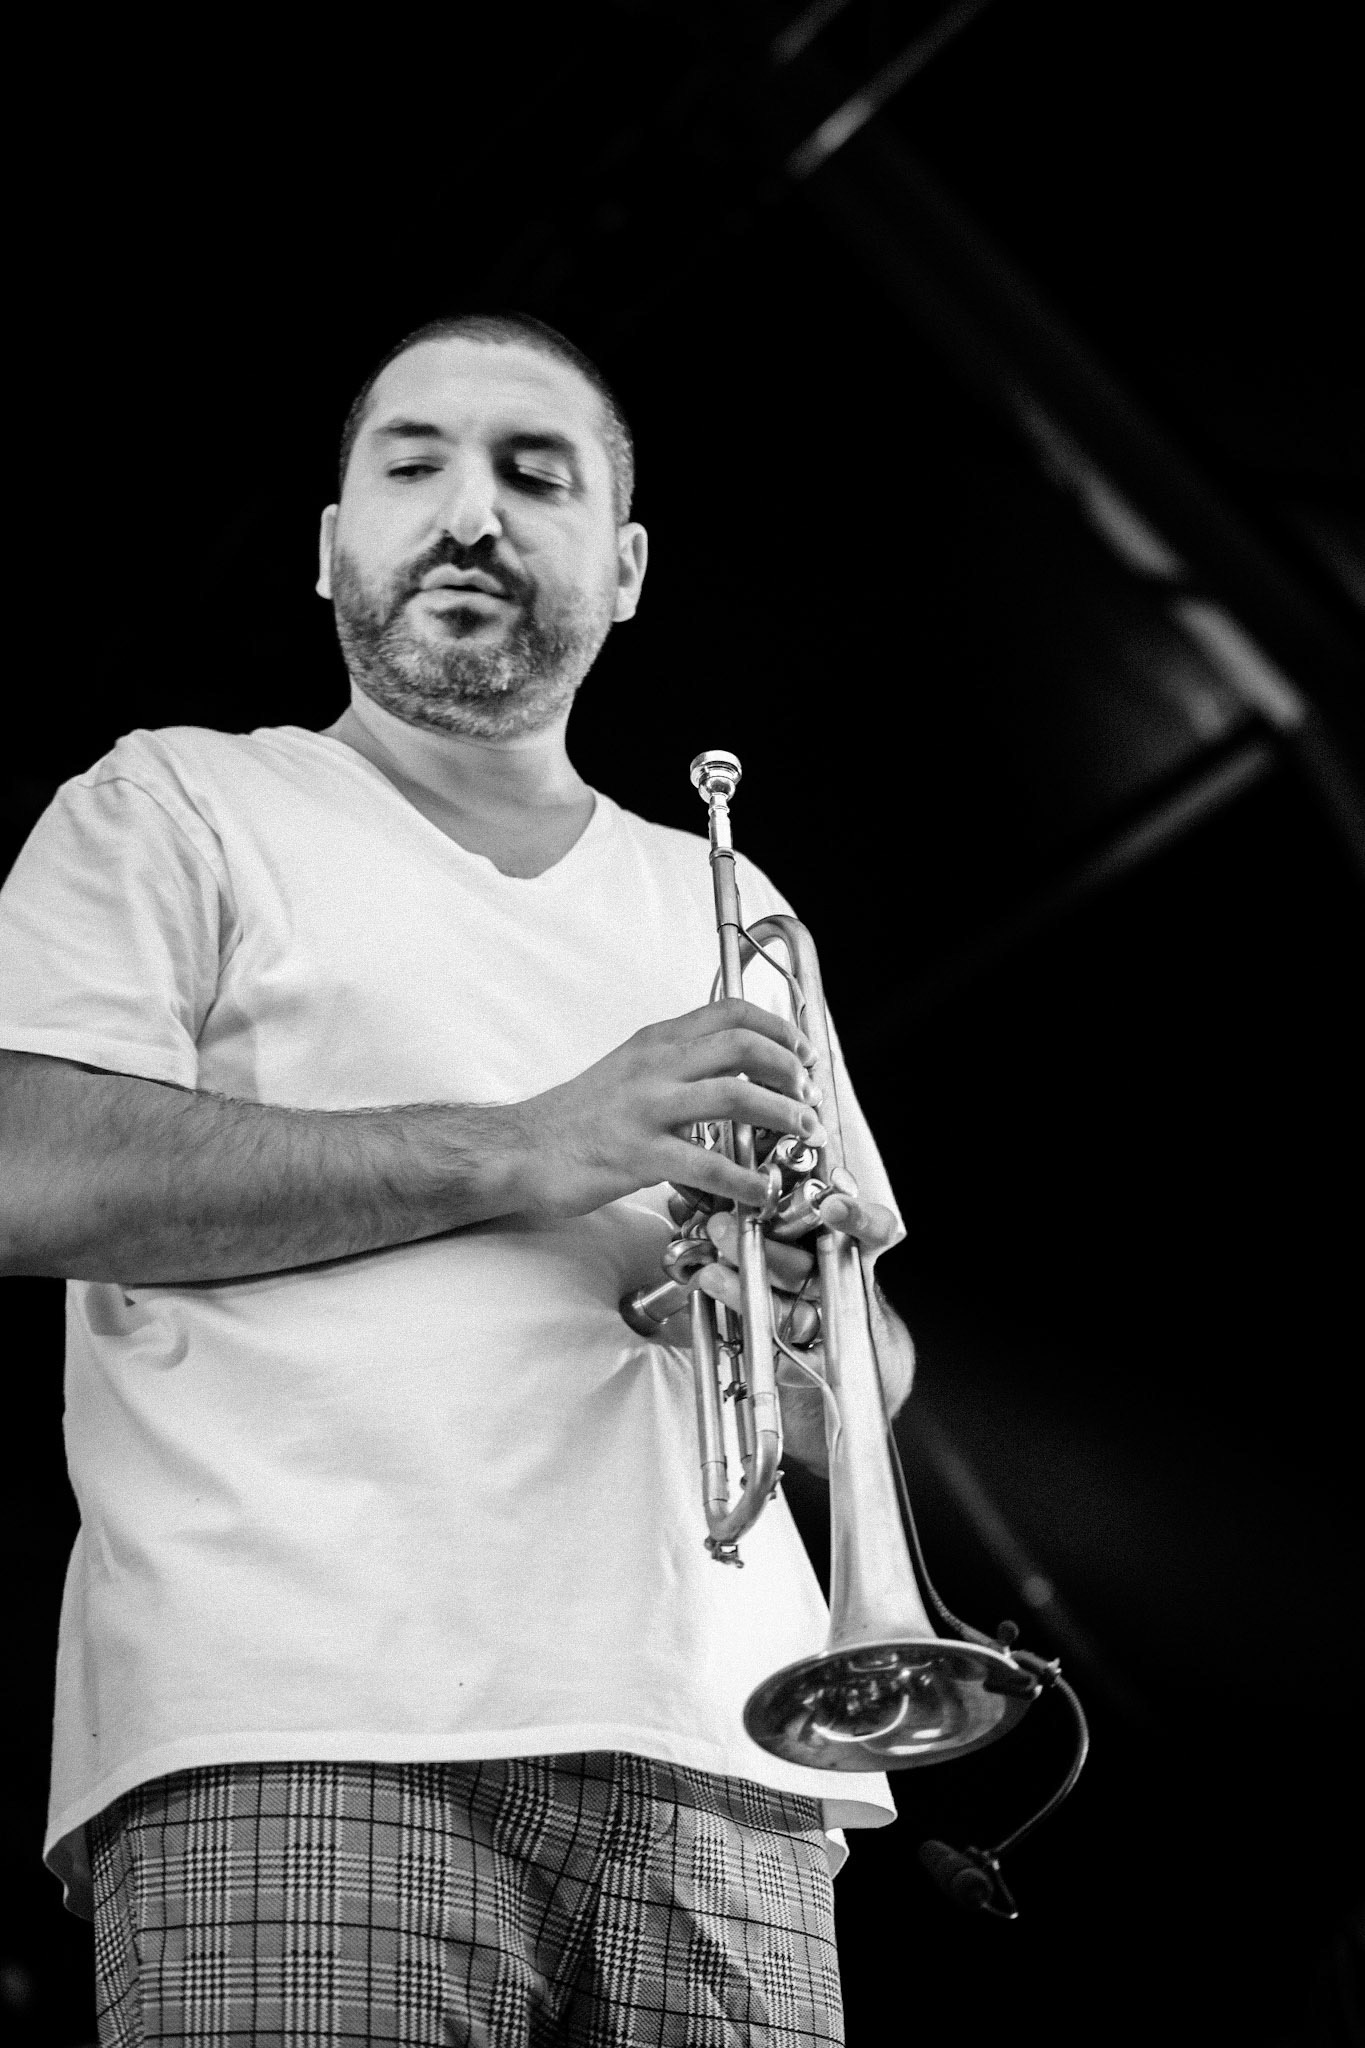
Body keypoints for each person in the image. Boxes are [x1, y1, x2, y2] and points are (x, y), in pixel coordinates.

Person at [0, 312, 915, 2047]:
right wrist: (527, 1143)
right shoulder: (177, 805)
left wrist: (811, 1322)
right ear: (332, 544)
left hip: (729, 1758)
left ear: (625, 568)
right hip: (297, 1719)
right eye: (410, 466)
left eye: (533, 474)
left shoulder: (733, 910)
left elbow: (862, 1391)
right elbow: (24, 1170)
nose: (469, 512)